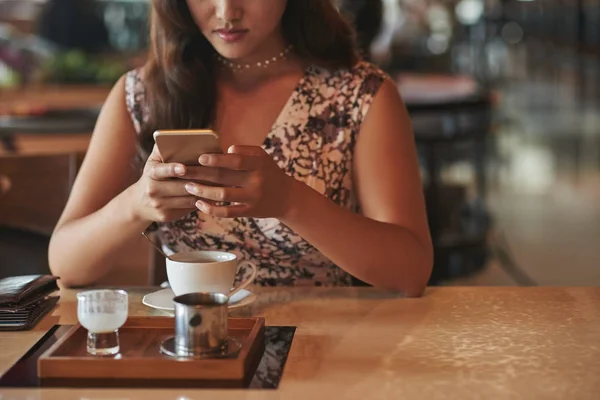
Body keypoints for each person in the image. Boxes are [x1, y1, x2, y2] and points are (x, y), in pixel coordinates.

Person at [48, 0, 433, 296]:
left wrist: (290, 201)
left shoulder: (359, 96)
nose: (226, 11)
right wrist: (135, 205)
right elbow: (65, 265)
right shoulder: (143, 95)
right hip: (190, 349)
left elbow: (411, 273)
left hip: (322, 353)